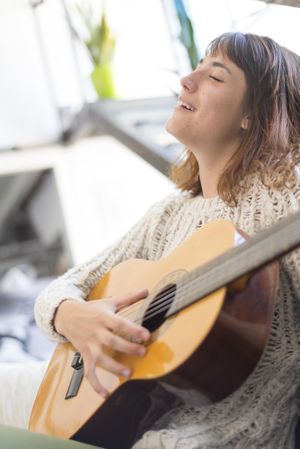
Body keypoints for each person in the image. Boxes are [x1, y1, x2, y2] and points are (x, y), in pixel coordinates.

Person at [2, 31, 300, 448]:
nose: (186, 80)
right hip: (119, 402)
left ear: (254, 113)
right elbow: (61, 288)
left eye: (214, 77)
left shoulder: (286, 197)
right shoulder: (170, 213)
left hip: (218, 435)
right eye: (194, 67)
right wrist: (74, 318)